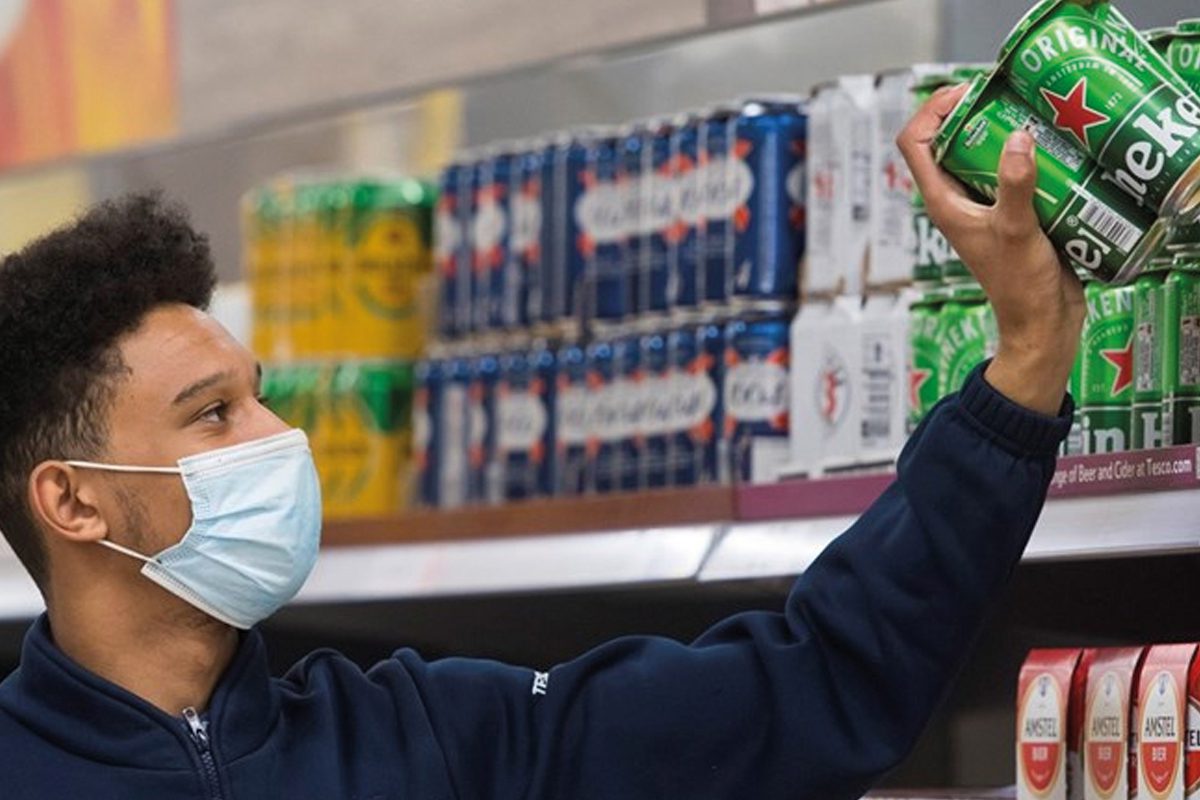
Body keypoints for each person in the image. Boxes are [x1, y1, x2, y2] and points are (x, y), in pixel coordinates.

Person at [0, 85, 1083, 799]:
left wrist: (1024, 368)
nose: (281, 438)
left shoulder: (431, 738)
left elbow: (809, 692)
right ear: (73, 500)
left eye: (263, 396)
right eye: (213, 413)